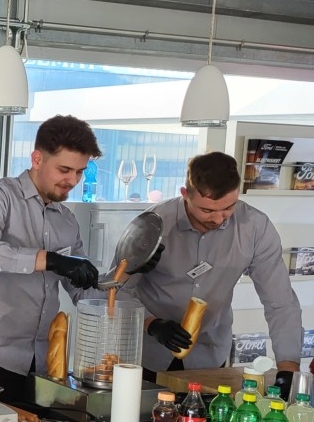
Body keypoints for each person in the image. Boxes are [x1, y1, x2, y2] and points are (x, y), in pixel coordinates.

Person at [0, 115, 103, 410]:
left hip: (42, 363)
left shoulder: (67, 220)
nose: (73, 181)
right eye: (64, 170)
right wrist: (49, 259)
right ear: (37, 159)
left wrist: (123, 278)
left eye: (80, 172)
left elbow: (83, 290)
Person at [125, 151, 303, 398]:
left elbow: (280, 302)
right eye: (207, 210)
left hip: (209, 357)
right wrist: (151, 324)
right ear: (185, 194)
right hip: (147, 354)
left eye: (229, 207)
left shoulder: (256, 228)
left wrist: (288, 368)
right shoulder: (152, 225)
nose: (218, 219)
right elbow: (117, 290)